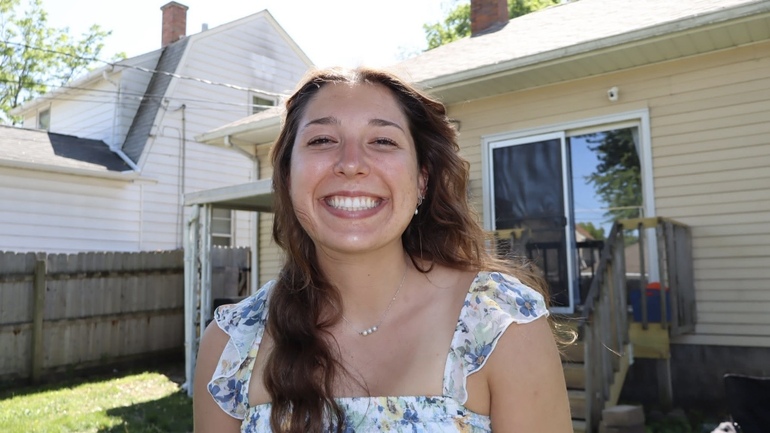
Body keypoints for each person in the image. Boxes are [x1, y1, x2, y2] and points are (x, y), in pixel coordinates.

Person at [193, 66, 573, 432]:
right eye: (322, 140)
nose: (351, 164)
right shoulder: (231, 347)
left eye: (383, 141)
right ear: (288, 177)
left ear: (421, 179)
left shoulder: (500, 325)